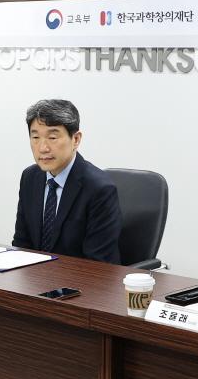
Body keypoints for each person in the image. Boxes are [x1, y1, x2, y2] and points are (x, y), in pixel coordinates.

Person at [11, 99, 123, 263]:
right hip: (34, 282)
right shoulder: (30, 177)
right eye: (35, 137)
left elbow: (98, 263)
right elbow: (22, 244)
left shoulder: (99, 189)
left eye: (53, 137)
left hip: (83, 283)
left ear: (76, 139)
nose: (43, 148)